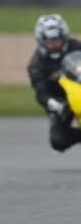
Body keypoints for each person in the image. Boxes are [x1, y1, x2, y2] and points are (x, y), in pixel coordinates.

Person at [27, 14, 81, 152]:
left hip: (78, 90)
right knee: (58, 140)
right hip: (61, 102)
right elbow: (41, 92)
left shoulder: (76, 47)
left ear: (64, 37)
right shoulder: (36, 65)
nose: (54, 44)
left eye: (57, 40)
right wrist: (53, 103)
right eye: (50, 41)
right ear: (41, 41)